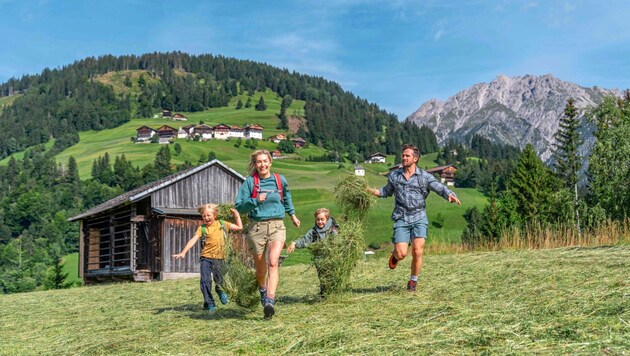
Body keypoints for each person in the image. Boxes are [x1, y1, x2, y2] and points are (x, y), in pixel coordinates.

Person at [368, 143, 461, 292]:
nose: (404, 158)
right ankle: (395, 257)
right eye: (403, 155)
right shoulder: (395, 176)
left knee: (418, 251)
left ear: (415, 158)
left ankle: (413, 282)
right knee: (401, 253)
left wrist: (450, 195)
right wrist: (369, 191)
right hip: (401, 217)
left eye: (407, 156)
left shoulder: (424, 177)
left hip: (419, 216)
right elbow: (385, 192)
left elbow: (439, 187)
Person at [235, 149, 300, 320]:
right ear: (255, 164)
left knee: (273, 262)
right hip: (256, 228)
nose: (262, 164)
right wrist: (255, 200)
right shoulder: (250, 183)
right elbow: (239, 206)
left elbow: (286, 196)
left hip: (277, 226)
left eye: (265, 161)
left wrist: (292, 214)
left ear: (270, 162)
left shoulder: (280, 180)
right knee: (260, 269)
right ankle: (263, 290)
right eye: (259, 162)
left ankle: (270, 301)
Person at [172, 204, 243, 312]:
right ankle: (210, 304)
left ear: (215, 215)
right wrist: (183, 252)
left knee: (220, 280)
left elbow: (239, 227)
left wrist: (237, 215)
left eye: (208, 215)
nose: (206, 218)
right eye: (204, 216)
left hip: (220, 258)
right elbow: (193, 240)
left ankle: (220, 290)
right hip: (206, 258)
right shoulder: (202, 228)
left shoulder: (222, 224)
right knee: (205, 281)